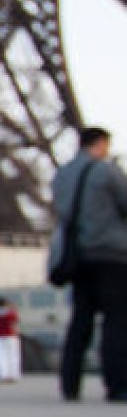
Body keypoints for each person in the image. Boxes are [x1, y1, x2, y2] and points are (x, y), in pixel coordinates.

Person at [52, 126, 127, 402]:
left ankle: (70, 384)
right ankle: (117, 384)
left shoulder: (62, 174)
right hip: (110, 255)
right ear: (101, 144)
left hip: (77, 256)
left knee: (80, 320)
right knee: (116, 321)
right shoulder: (107, 171)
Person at [0, 296, 21, 383]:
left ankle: (3, 375)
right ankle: (14, 375)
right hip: (10, 335)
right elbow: (16, 320)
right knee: (13, 356)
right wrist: (13, 308)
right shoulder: (10, 313)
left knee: (1, 356)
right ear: (6, 304)